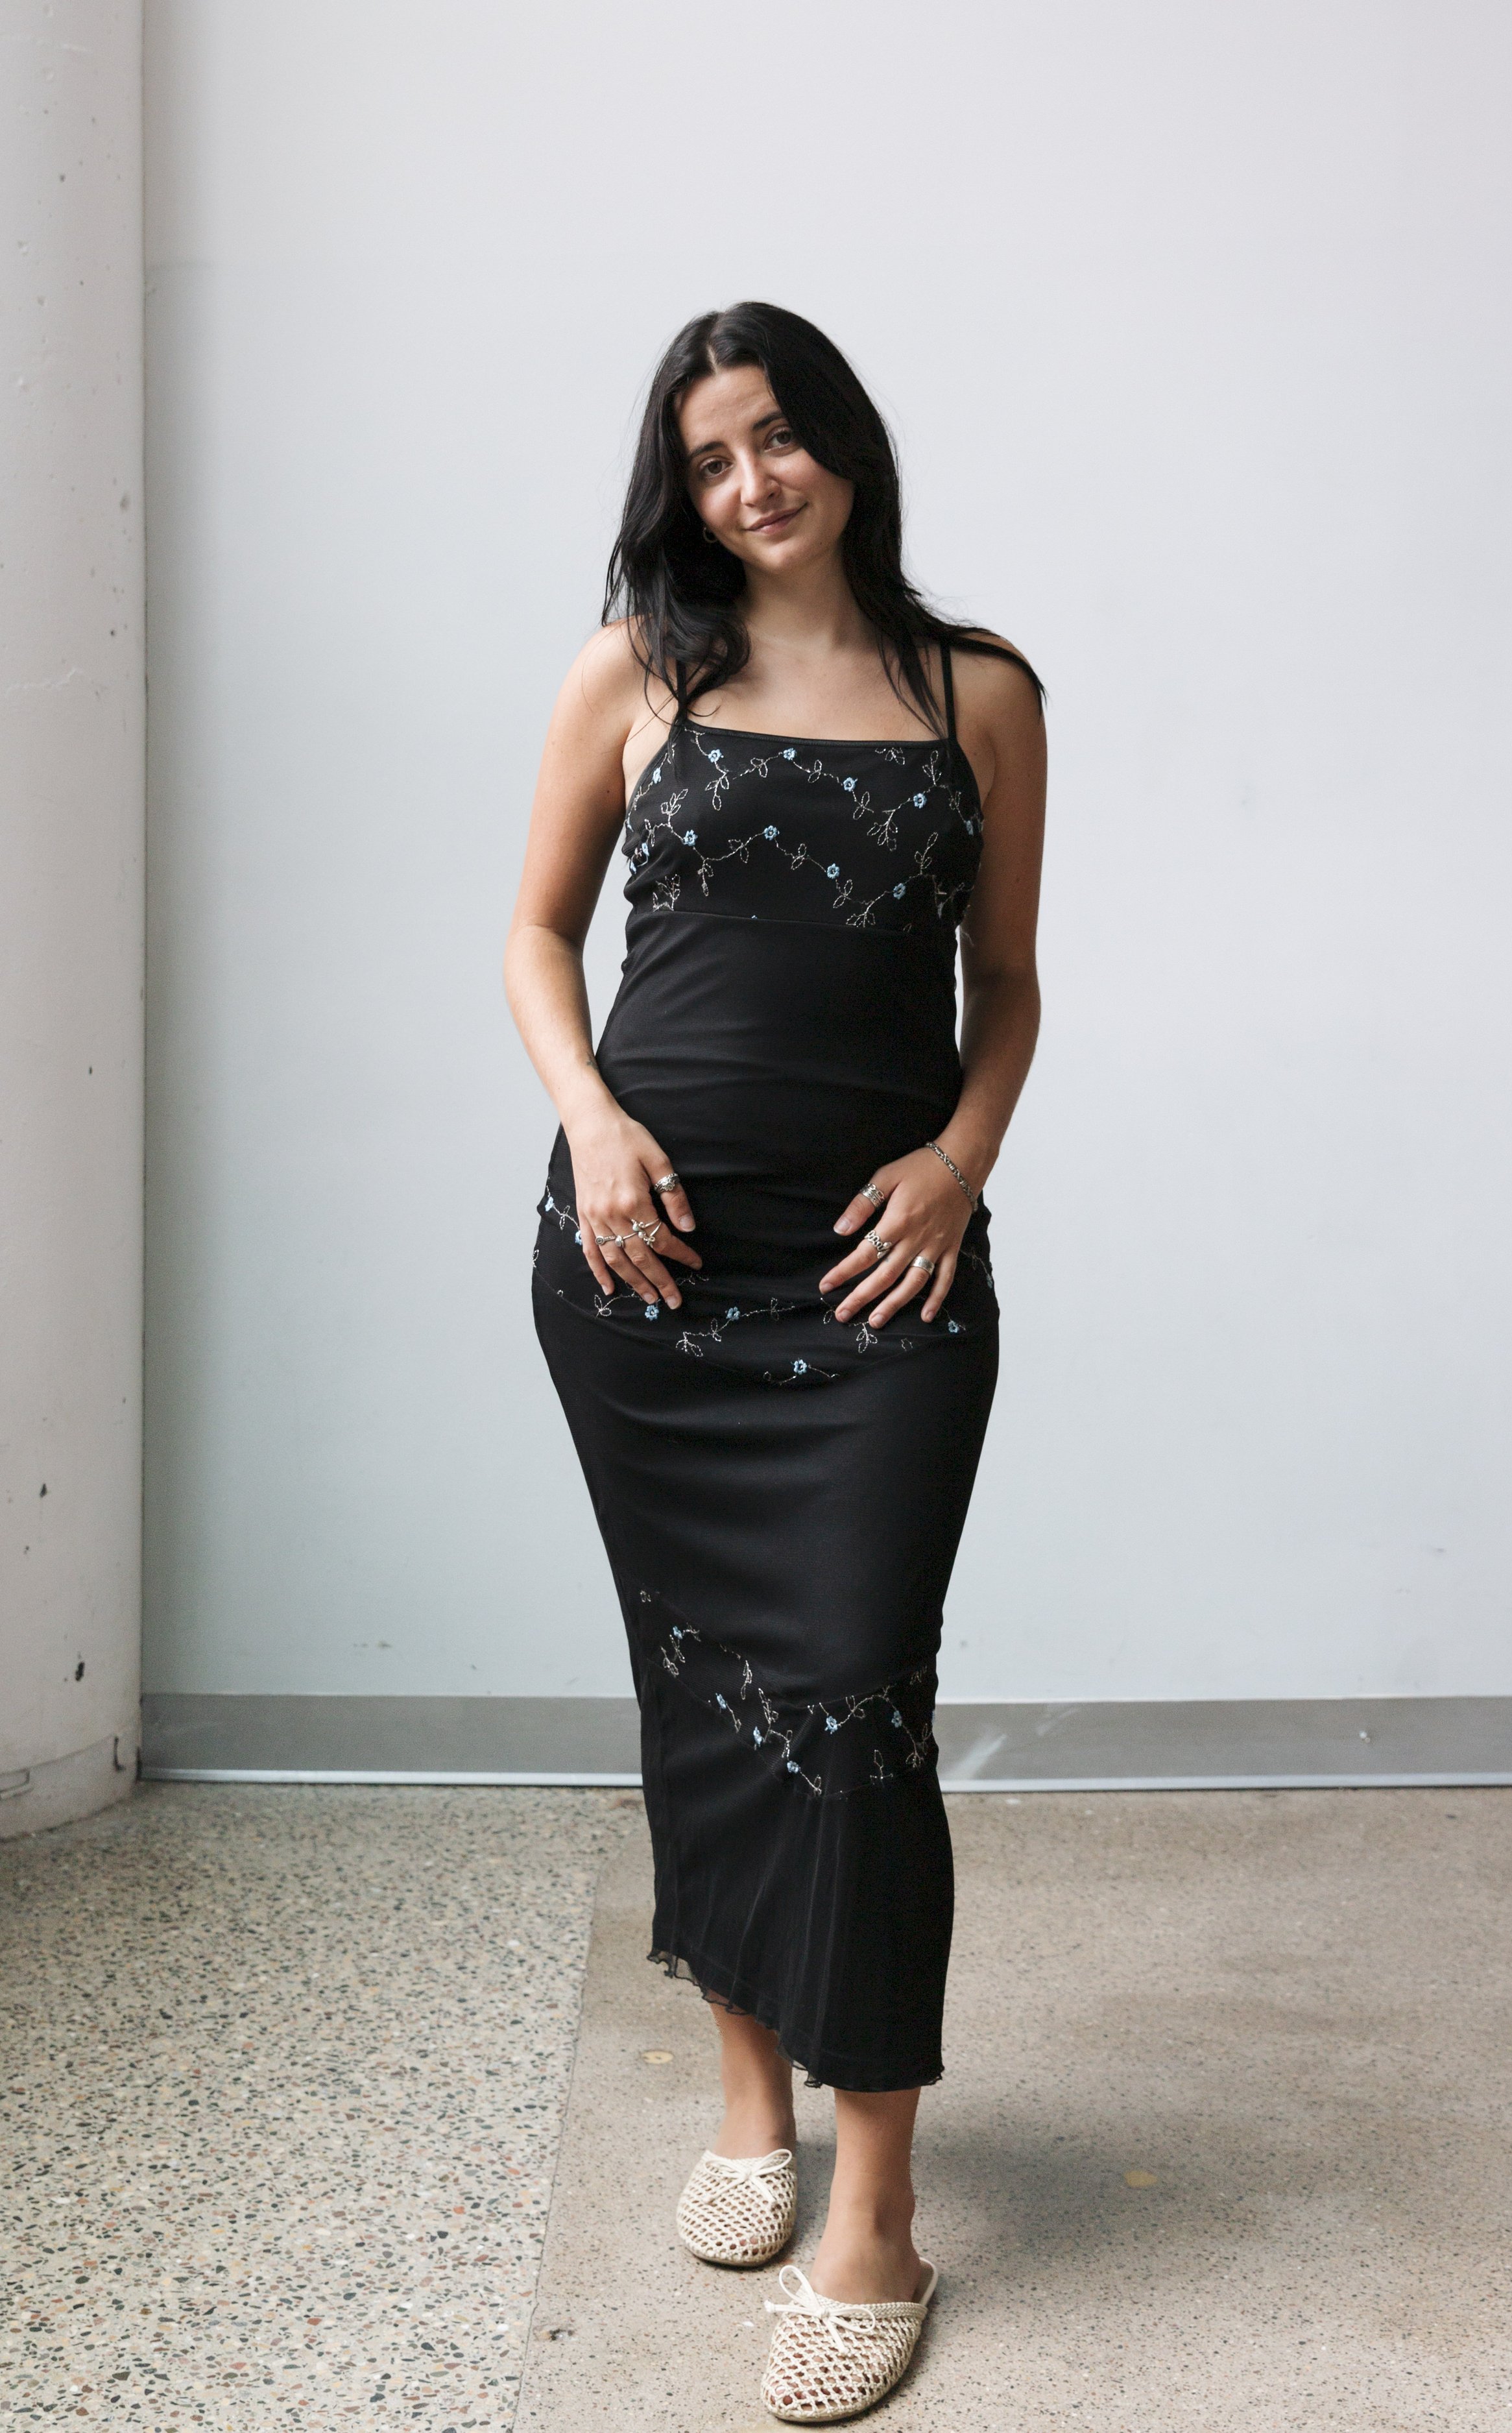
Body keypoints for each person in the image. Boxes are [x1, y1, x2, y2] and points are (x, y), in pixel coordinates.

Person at [505, 301, 1045, 2423]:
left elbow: (1002, 983)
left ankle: (878, 2207)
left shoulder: (971, 691)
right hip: (642, 1262)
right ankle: (751, 2105)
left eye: (783, 436)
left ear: (843, 446)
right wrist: (589, 1115)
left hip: (876, 1277)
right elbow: (538, 931)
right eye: (715, 454)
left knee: (853, 1694)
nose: (755, 481)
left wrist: (952, 1160)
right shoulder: (638, 674)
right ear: (685, 486)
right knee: (708, 1682)